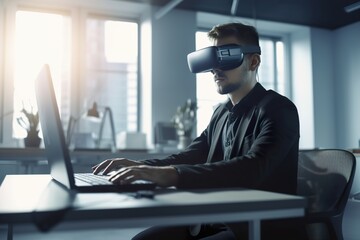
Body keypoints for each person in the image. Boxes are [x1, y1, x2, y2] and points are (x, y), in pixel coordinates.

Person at [93, 22, 304, 240]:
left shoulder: (278, 109)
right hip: (212, 219)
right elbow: (191, 156)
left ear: (253, 61)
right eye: (212, 59)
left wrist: (173, 174)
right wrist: (142, 166)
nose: (215, 68)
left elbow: (254, 167)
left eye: (225, 56)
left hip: (257, 227)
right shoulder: (221, 113)